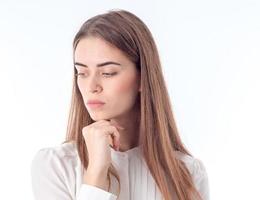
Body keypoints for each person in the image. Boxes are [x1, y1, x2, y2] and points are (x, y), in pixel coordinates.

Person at [31, 9, 210, 200]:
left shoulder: (187, 173)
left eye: (107, 72)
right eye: (82, 73)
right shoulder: (55, 165)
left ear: (143, 78)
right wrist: (96, 173)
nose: (91, 86)